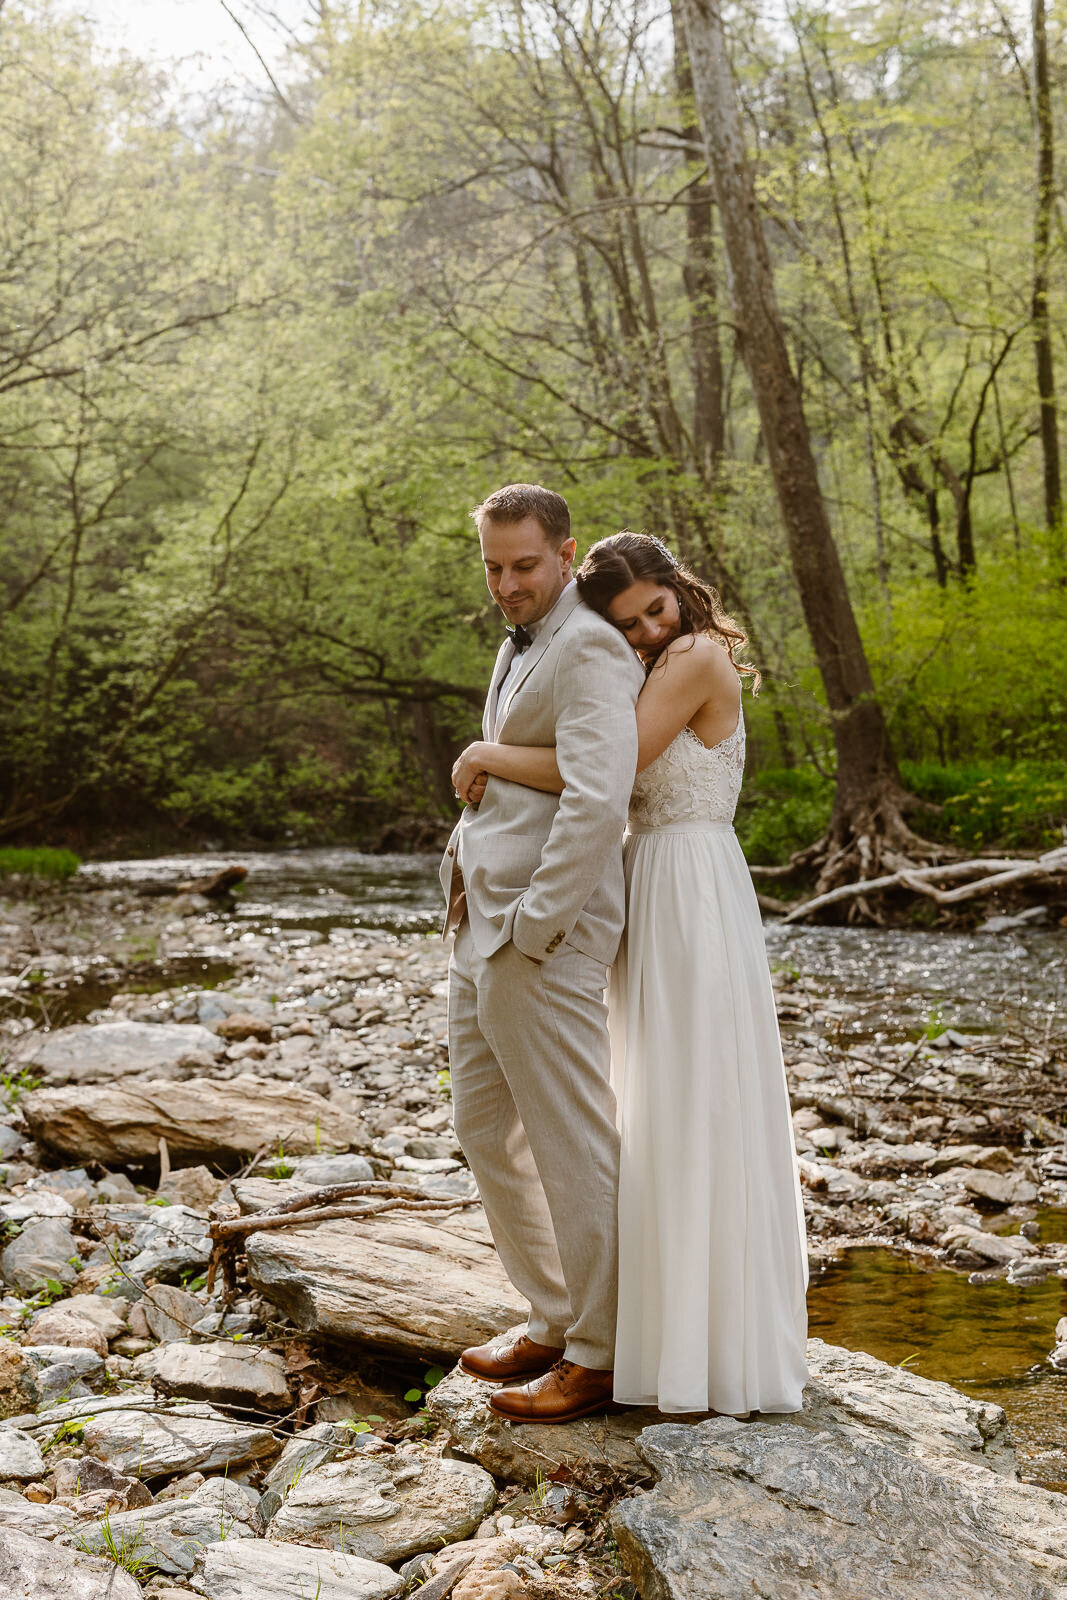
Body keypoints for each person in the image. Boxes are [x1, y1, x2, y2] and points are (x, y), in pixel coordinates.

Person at [452, 531, 808, 1416]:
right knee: (649, 1106)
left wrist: (487, 755)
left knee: (691, 1103)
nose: (647, 629)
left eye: (655, 606)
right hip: (647, 880)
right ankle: (610, 1324)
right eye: (631, 622)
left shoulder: (689, 656)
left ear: (678, 588)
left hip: (689, 890)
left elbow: (601, 770)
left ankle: (657, 1342)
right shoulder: (640, 659)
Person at [440, 485, 644, 1424]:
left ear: (565, 556)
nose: (507, 583)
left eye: (524, 565)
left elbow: (600, 797)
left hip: (539, 931)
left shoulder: (593, 645)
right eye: (492, 566)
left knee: (569, 1139)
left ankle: (601, 1352)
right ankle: (553, 1315)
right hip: (479, 919)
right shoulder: (516, 637)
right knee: (485, 1128)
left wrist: (538, 922)